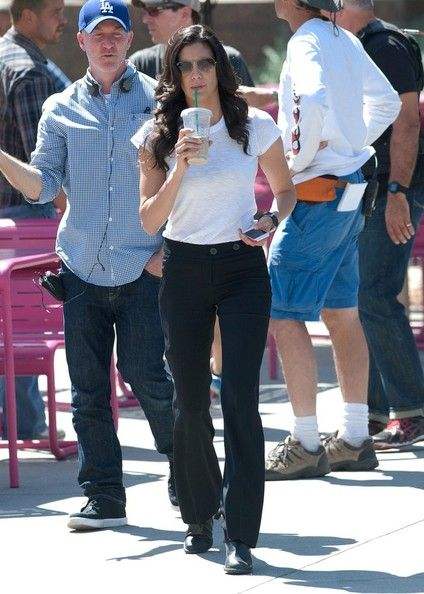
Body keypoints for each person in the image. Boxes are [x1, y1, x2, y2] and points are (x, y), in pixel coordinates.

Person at [0, 0, 175, 529]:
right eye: (98, 35)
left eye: (117, 33)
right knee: (87, 390)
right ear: (81, 42)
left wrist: (166, 253)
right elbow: (43, 186)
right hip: (80, 269)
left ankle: (188, 469)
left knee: (148, 377)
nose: (108, 43)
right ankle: (104, 497)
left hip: (143, 266)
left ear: (129, 41)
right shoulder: (59, 108)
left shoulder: (158, 103)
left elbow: (185, 183)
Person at [132, 24, 296, 574]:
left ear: (219, 70)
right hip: (183, 268)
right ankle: (200, 516)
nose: (196, 75)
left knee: (242, 401)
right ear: (174, 76)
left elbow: (286, 191)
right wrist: (179, 165)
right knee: (190, 401)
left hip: (241, 266)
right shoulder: (157, 134)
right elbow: (149, 219)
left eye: (205, 64)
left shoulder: (254, 125)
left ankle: (242, 534)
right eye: (185, 67)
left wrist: (269, 221)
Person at [264, 0, 401, 480]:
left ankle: (305, 443)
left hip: (317, 193)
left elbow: (313, 97)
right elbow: (388, 102)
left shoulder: (306, 41)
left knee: (284, 314)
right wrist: (347, 143)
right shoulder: (343, 39)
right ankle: (356, 437)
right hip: (351, 186)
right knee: (343, 313)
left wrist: (297, 161)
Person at [130, 0, 257, 398]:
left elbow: (248, 145)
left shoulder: (229, 59)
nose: (146, 18)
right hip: (172, 232)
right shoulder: (140, 65)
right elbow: (148, 175)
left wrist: (265, 218)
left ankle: (217, 376)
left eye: (155, 9)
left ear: (185, 10)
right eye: (184, 67)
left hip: (228, 240)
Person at [337, 0, 424, 450]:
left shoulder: (385, 45)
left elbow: (407, 122)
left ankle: (411, 410)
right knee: (358, 297)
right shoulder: (356, 45)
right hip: (369, 188)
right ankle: (370, 413)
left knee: (374, 294)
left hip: (392, 189)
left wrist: (397, 193)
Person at [0, 0, 69, 441]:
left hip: (8, 216)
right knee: (25, 326)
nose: (63, 19)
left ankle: (16, 421)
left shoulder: (6, 55)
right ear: (27, 15)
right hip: (26, 216)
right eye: (55, 11)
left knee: (7, 326)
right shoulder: (28, 72)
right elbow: (39, 171)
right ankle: (25, 424)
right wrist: (72, 210)